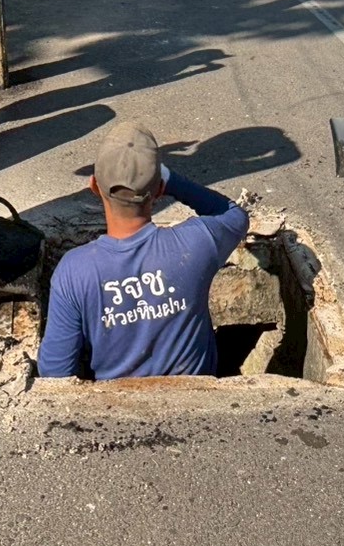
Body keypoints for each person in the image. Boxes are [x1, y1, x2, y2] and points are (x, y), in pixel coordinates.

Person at [36, 121, 250, 380]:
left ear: (93, 186)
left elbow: (55, 372)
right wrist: (171, 179)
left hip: (113, 404)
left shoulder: (74, 271)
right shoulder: (196, 244)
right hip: (197, 400)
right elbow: (234, 216)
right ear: (159, 190)